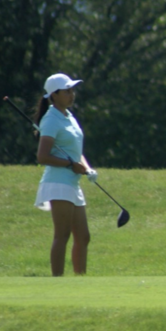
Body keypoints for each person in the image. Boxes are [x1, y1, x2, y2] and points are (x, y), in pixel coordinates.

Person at [33, 73, 98, 276]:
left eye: (72, 90)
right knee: (62, 235)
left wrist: (86, 167)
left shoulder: (68, 117)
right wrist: (71, 165)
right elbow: (42, 157)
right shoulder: (51, 120)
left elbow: (76, 152)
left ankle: (80, 280)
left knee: (83, 237)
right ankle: (58, 281)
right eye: (67, 91)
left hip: (72, 183)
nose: (72, 94)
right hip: (58, 183)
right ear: (55, 94)